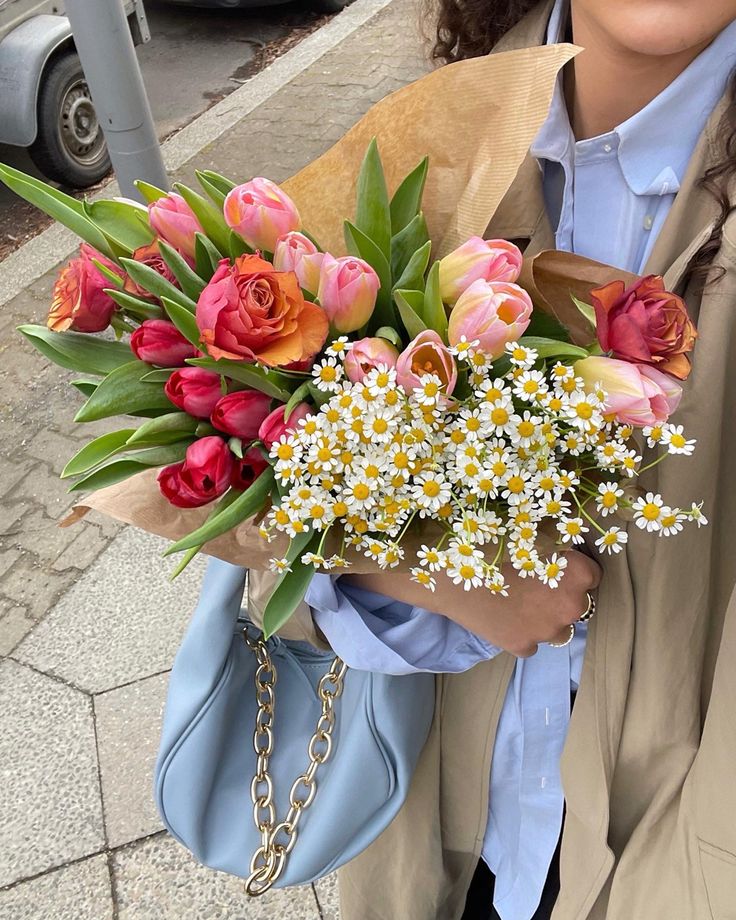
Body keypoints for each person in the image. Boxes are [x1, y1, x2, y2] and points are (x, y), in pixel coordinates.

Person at [247, 1, 736, 917]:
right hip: (435, 825)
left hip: (677, 856)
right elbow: (268, 484)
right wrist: (428, 571)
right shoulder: (423, 145)